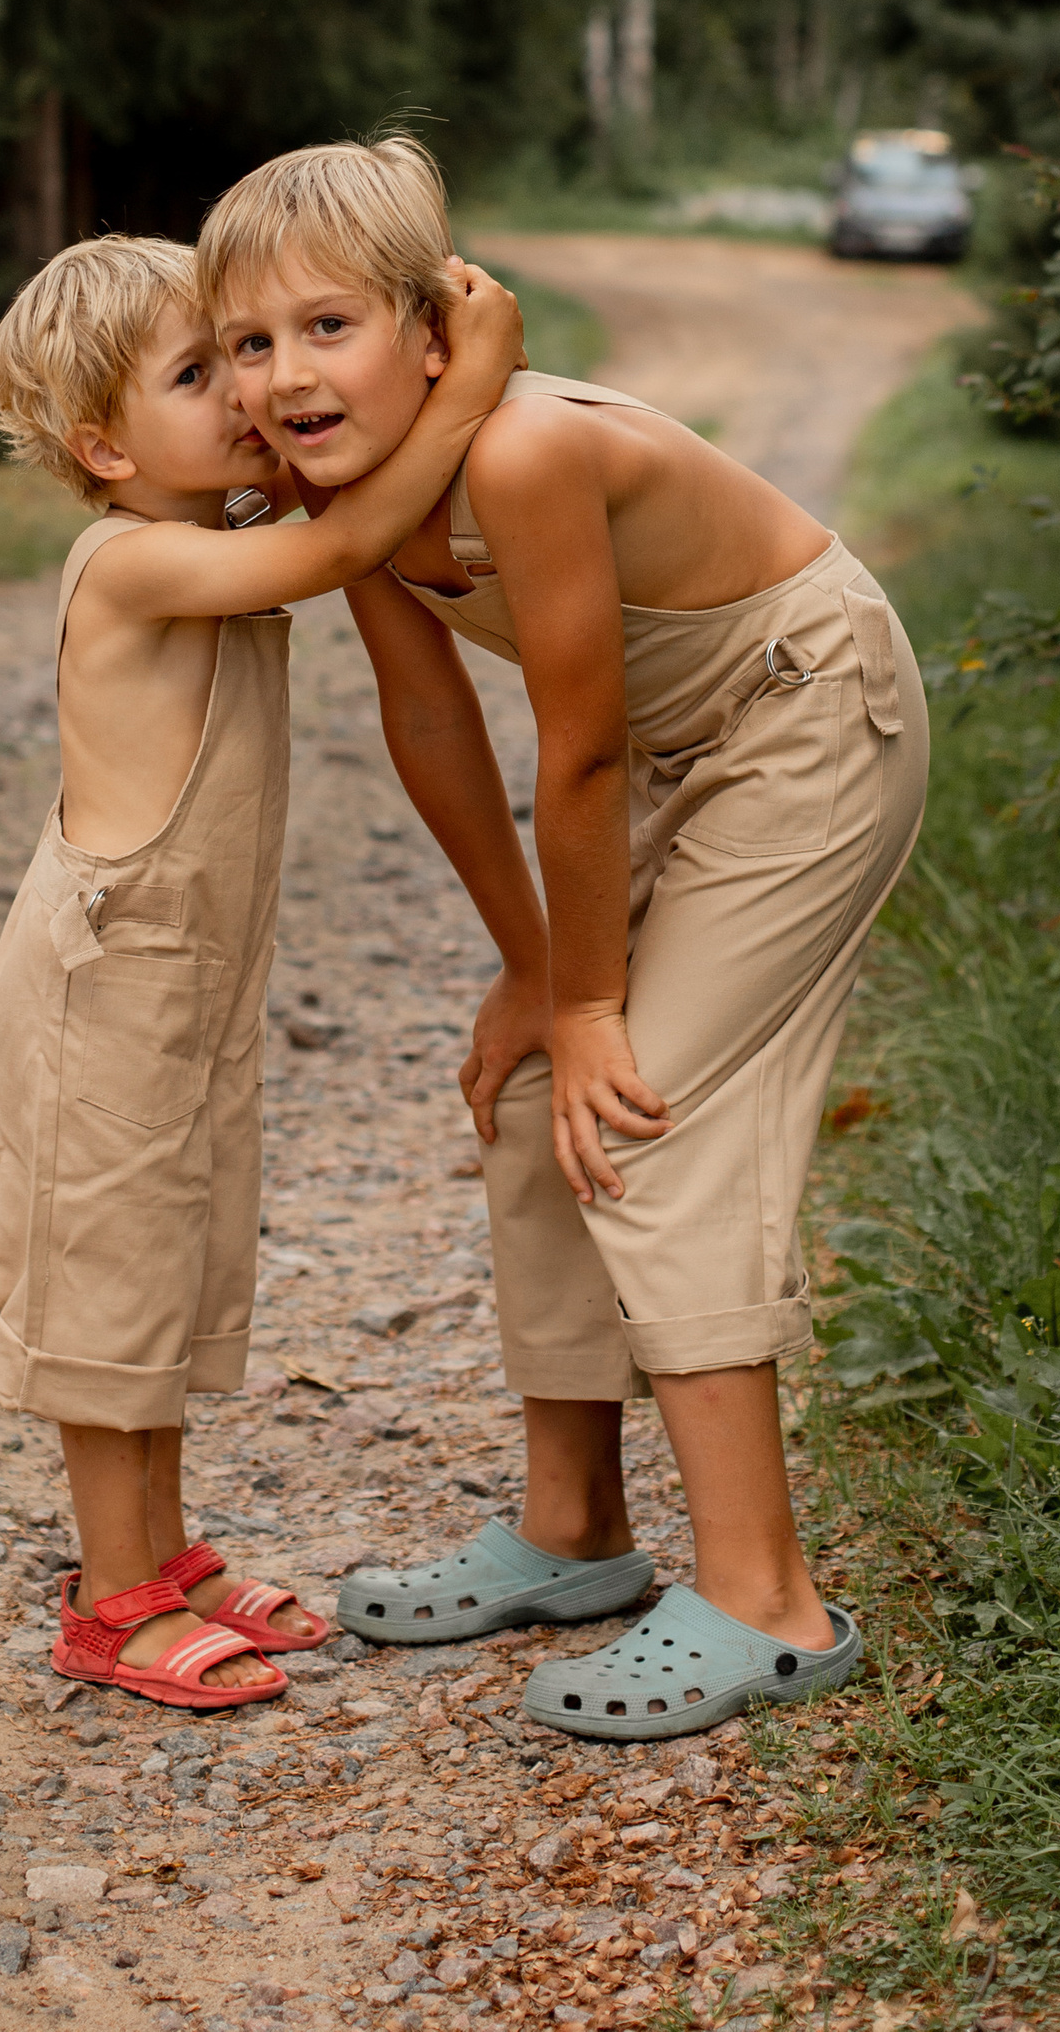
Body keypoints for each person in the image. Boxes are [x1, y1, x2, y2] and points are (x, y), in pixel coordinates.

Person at [197, 137, 928, 1743]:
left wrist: (593, 997)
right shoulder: (357, 499)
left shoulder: (520, 455)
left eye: (329, 326)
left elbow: (579, 746)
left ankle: (769, 1602)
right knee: (539, 1097)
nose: (287, 374)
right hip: (694, 754)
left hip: (808, 721)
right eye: (249, 343)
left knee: (636, 1108)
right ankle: (575, 1530)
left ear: (435, 332)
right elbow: (430, 718)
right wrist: (536, 976)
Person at [0, 229, 525, 1712]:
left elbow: (321, 511)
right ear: (101, 443)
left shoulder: (205, 529)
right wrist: (465, 386)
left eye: (244, 358)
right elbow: (346, 544)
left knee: (167, 1263)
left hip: (185, 977)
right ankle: (106, 1603)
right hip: (107, 979)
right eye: (199, 369)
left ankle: (158, 1555)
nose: (244, 393)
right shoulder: (136, 558)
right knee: (106, 1286)